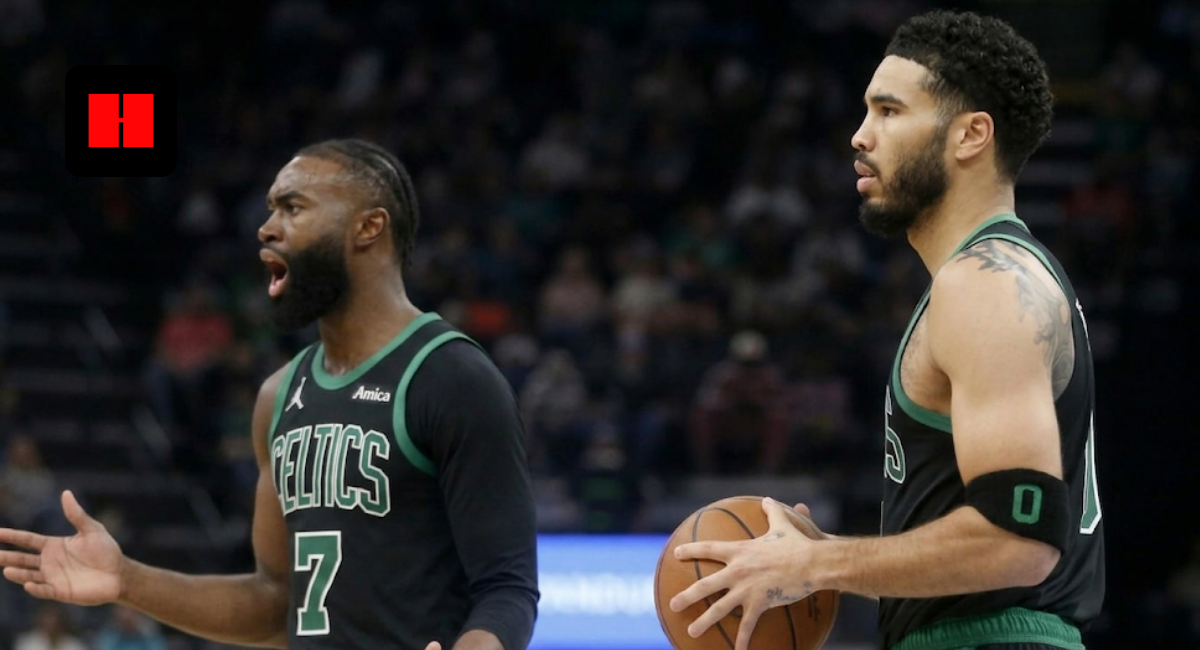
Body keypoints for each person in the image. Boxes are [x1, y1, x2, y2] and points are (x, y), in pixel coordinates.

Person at [667, 11, 1104, 650]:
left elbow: (1019, 539)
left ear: (971, 135)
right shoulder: (996, 276)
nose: (859, 135)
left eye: (889, 112)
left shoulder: (985, 284)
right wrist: (825, 551)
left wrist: (815, 564)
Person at [0, 139, 540, 650]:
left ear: (369, 227)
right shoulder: (278, 397)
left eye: (293, 207)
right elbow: (273, 602)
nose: (265, 229)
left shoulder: (452, 377)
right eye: (270, 209)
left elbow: (507, 590)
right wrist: (126, 580)